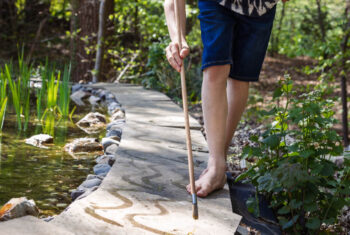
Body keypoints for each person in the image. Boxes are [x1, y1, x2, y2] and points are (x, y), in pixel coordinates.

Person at [163, 0, 289, 198]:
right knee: (215, 68)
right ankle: (215, 164)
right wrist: (177, 36)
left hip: (260, 7)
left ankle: (219, 158)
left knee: (240, 77)